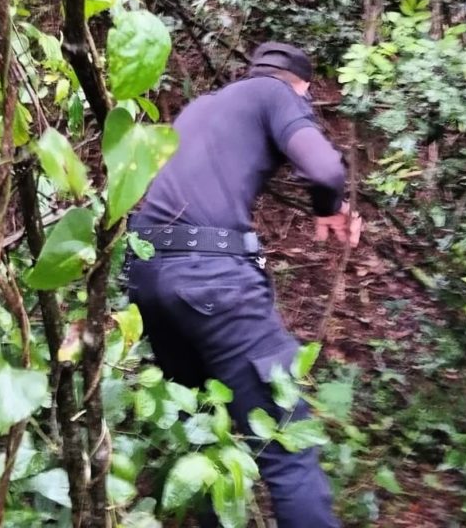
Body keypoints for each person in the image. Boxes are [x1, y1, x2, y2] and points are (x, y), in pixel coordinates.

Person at [126, 42, 362, 528]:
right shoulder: (278, 96)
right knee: (287, 444)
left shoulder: (201, 108)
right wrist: (330, 209)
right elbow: (324, 169)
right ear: (301, 86)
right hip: (211, 279)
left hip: (147, 272)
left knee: (203, 432)